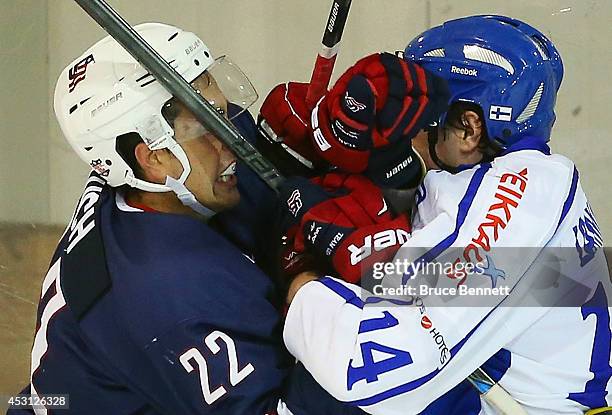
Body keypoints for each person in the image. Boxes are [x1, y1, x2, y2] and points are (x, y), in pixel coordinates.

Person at [10, 22, 367, 415]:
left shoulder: (165, 180)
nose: (233, 139)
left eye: (222, 112)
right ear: (154, 158)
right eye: (208, 126)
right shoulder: (172, 290)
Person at [263, 15, 612, 414]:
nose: (406, 128)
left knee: (315, 396)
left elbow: (366, 369)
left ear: (468, 128)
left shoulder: (519, 198)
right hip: (520, 395)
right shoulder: (514, 180)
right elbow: (430, 280)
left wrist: (303, 281)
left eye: (422, 116)